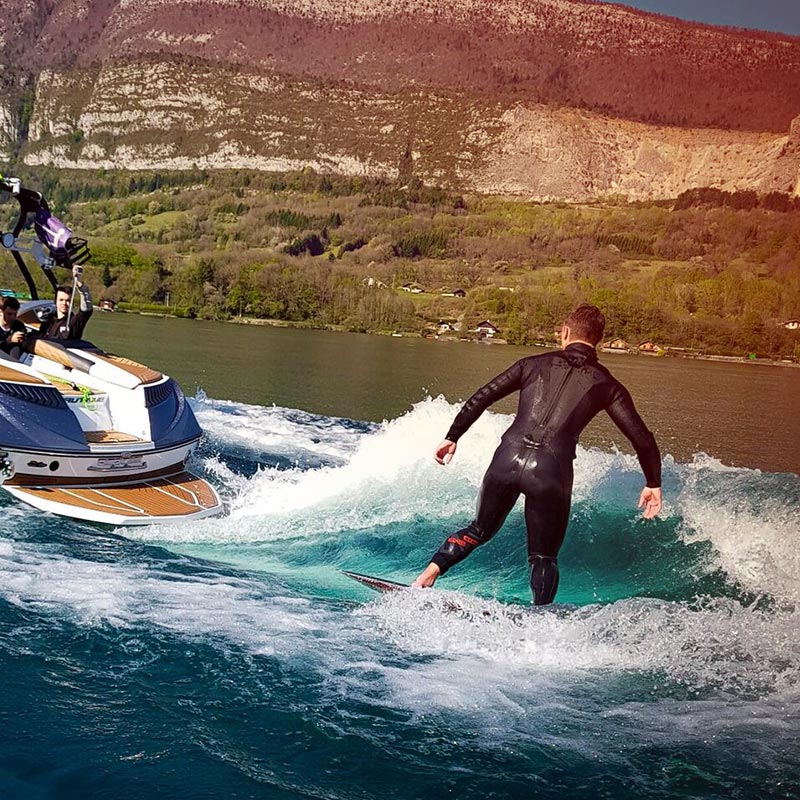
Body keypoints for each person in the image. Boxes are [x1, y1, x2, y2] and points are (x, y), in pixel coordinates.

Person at [413, 304, 662, 605]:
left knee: (478, 530)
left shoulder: (531, 364)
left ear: (565, 332)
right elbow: (642, 439)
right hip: (550, 471)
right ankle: (539, 616)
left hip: (506, 459)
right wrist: (653, 482)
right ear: (598, 340)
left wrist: (452, 436)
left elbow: (483, 396)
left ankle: (426, 577)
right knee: (543, 557)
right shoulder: (607, 385)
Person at [40, 265, 93, 340]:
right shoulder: (49, 321)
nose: (64, 303)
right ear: (55, 301)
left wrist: (78, 281)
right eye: (61, 300)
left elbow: (86, 309)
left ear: (72, 303)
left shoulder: (74, 322)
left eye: (68, 301)